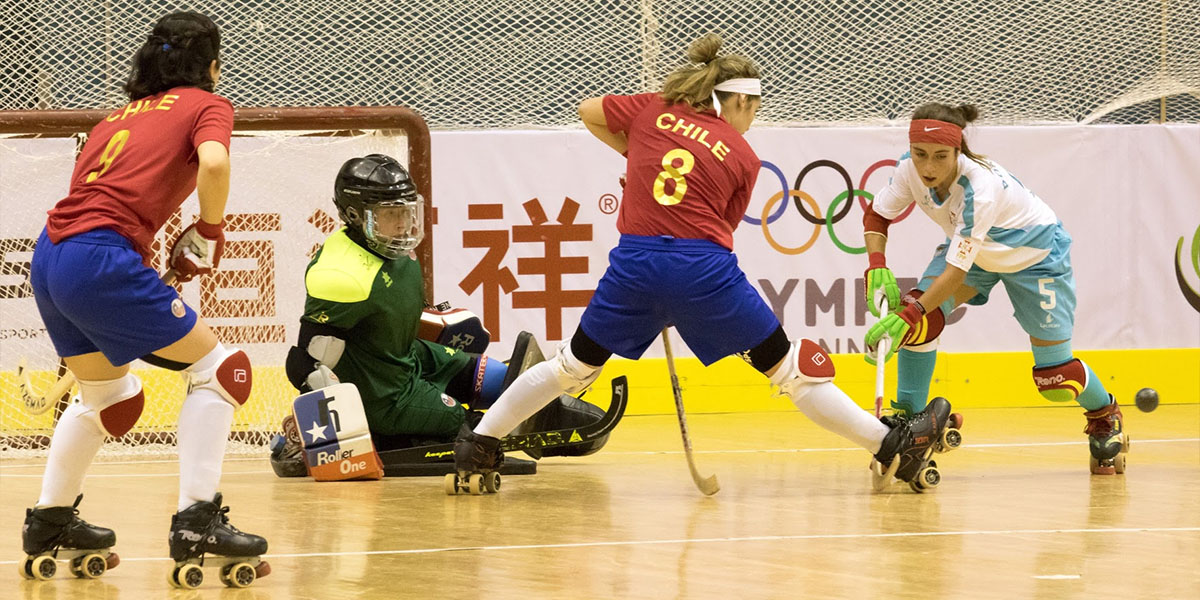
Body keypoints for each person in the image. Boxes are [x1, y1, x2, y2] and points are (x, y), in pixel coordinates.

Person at [451, 33, 961, 494]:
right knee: (791, 370)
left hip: (635, 265)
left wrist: (636, 155)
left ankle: (481, 441)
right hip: (702, 269)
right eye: (752, 108)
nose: (751, 119)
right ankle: (891, 446)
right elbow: (720, 224)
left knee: (572, 367)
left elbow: (589, 110)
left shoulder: (651, 110)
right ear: (736, 100)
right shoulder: (743, 155)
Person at [20, 11, 269, 586]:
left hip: (51, 255)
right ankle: (197, 521)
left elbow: (97, 199)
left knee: (111, 397)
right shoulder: (208, 104)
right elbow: (214, 161)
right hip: (98, 256)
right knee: (222, 370)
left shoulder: (114, 118)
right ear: (210, 65)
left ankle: (51, 519)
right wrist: (209, 230)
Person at [282, 154, 609, 464]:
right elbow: (307, 361)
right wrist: (328, 433)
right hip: (385, 395)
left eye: (406, 211)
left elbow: (384, 312)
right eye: (390, 214)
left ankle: (543, 401)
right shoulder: (339, 275)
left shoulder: (389, 246)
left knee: (493, 374)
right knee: (473, 429)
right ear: (355, 216)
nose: (402, 224)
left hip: (405, 355)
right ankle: (534, 428)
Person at [861, 102, 1128, 474]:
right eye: (920, 154)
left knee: (1055, 379)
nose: (928, 167)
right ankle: (912, 424)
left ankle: (1104, 413)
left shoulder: (980, 188)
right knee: (921, 319)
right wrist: (876, 265)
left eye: (940, 156)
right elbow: (877, 214)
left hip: (1036, 258)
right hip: (976, 255)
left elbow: (955, 271)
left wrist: (909, 313)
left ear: (959, 151)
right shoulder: (909, 169)